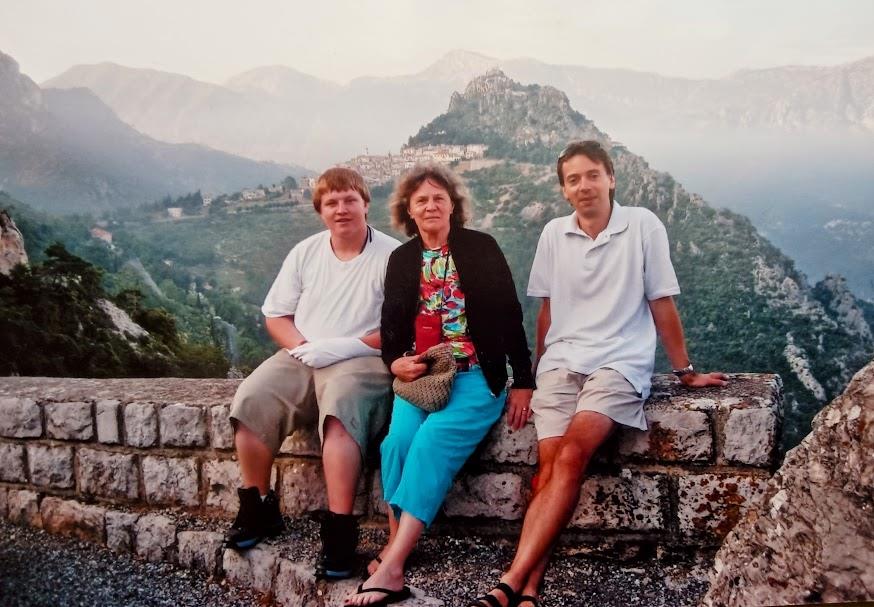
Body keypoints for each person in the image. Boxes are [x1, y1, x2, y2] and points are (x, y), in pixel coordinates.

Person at [471, 141, 728, 607]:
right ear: (564, 190)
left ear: (611, 178)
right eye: (574, 179)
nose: (584, 185)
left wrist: (684, 371)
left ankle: (510, 580)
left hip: (619, 363)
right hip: (562, 363)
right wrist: (529, 376)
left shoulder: (643, 225)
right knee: (544, 470)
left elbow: (661, 302)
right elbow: (547, 311)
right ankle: (530, 588)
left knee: (571, 456)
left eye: (592, 175)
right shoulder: (553, 233)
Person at [344, 163, 535, 606]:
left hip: (474, 376)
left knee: (429, 443)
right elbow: (391, 327)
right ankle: (400, 546)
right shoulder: (403, 259)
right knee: (396, 445)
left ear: (453, 205)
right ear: (408, 211)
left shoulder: (481, 248)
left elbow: (510, 316)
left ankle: (391, 567)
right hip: (422, 377)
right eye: (421, 200)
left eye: (439, 198)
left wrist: (522, 380)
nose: (431, 205)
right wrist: (396, 363)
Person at [226, 167, 400, 582]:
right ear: (320, 211)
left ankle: (340, 532)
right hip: (305, 351)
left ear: (365, 202)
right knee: (251, 401)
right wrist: (304, 347)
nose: (341, 210)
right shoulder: (305, 252)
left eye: (349, 200)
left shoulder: (393, 256)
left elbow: (401, 329)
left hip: (362, 357)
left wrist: (346, 346)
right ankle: (258, 507)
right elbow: (275, 315)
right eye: (331, 203)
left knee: (339, 413)